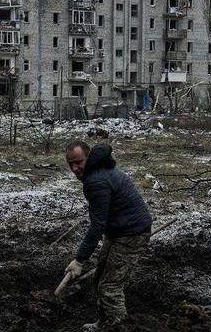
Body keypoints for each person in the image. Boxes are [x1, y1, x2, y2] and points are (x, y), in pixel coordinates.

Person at [63, 141, 153, 331]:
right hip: (118, 229)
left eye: (78, 162)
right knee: (99, 279)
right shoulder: (100, 170)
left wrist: (79, 260)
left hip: (132, 233)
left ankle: (120, 327)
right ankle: (104, 323)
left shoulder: (96, 181)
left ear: (89, 158)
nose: (74, 168)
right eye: (70, 164)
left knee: (110, 287)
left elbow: (97, 225)